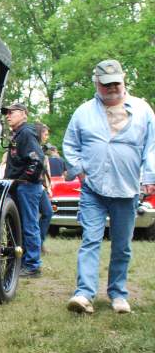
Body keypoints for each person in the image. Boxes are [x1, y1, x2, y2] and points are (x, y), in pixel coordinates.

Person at [64, 59, 155, 314]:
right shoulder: (83, 111)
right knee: (90, 240)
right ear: (97, 84)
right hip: (92, 188)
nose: (111, 88)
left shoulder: (142, 110)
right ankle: (83, 294)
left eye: (116, 83)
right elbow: (70, 144)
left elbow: (152, 147)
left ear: (124, 81)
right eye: (106, 85)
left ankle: (118, 294)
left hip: (127, 190)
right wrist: (79, 171)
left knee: (122, 245)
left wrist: (150, 177)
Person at [1, 103, 44, 278]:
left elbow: (37, 160)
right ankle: (24, 261)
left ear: (24, 114)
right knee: (21, 225)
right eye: (6, 113)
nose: (8, 116)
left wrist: (24, 179)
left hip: (27, 187)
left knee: (29, 225)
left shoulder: (26, 133)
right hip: (20, 187)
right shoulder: (18, 134)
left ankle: (33, 265)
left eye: (12, 112)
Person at [34, 122, 53, 253]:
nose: (47, 137)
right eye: (45, 134)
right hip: (34, 186)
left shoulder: (42, 150)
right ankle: (37, 244)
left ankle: (39, 242)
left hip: (41, 188)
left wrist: (48, 188)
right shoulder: (33, 148)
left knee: (48, 212)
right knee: (38, 216)